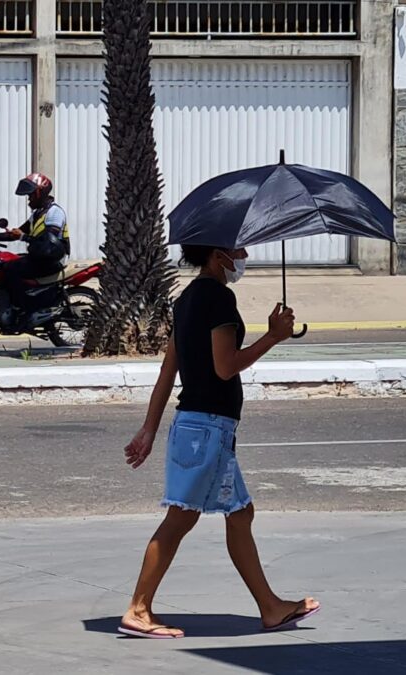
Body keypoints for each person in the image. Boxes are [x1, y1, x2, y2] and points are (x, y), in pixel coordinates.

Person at [118, 244, 320, 638]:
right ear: (216, 255)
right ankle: (138, 609)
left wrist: (149, 429)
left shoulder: (188, 298)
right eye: (236, 249)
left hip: (199, 428)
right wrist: (274, 337)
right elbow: (225, 366)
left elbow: (167, 370)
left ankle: (270, 607)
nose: (242, 256)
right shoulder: (218, 298)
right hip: (208, 429)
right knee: (180, 517)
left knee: (239, 514)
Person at [0, 173, 70, 327]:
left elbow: (49, 246)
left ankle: (24, 310)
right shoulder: (37, 214)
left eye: (31, 196)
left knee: (11, 269)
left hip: (52, 260)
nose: (28, 200)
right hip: (40, 258)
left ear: (40, 193)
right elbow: (17, 233)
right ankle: (8, 304)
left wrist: (23, 238)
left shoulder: (54, 213)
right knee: (3, 263)